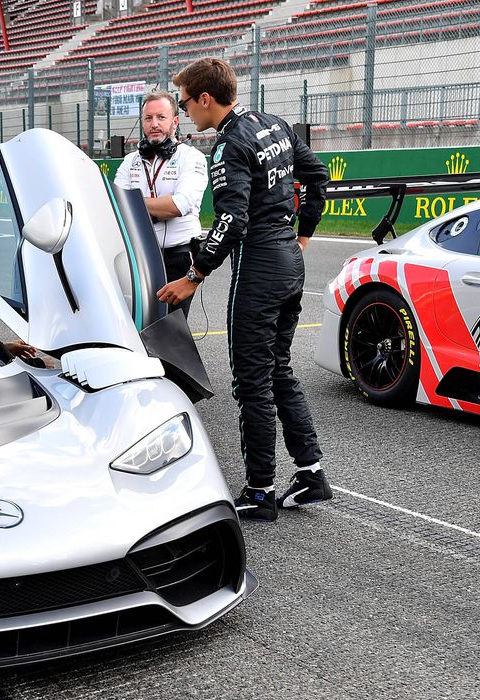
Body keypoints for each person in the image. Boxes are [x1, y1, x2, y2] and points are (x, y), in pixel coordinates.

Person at [157, 57, 333, 522]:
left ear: (205, 99)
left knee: (252, 381)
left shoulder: (229, 145)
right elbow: (318, 177)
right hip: (289, 263)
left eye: (184, 103)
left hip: (258, 269)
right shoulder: (273, 123)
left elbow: (231, 220)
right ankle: (311, 475)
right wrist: (303, 235)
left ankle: (260, 490)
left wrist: (193, 276)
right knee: (278, 370)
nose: (185, 111)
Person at [114, 90, 208, 316]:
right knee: (140, 323)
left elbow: (177, 206)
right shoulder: (131, 161)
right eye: (148, 118)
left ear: (175, 121)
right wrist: (157, 208)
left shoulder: (191, 157)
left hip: (179, 256)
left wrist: (135, 205)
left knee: (170, 329)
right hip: (140, 255)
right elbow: (116, 204)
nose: (154, 124)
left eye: (161, 117)